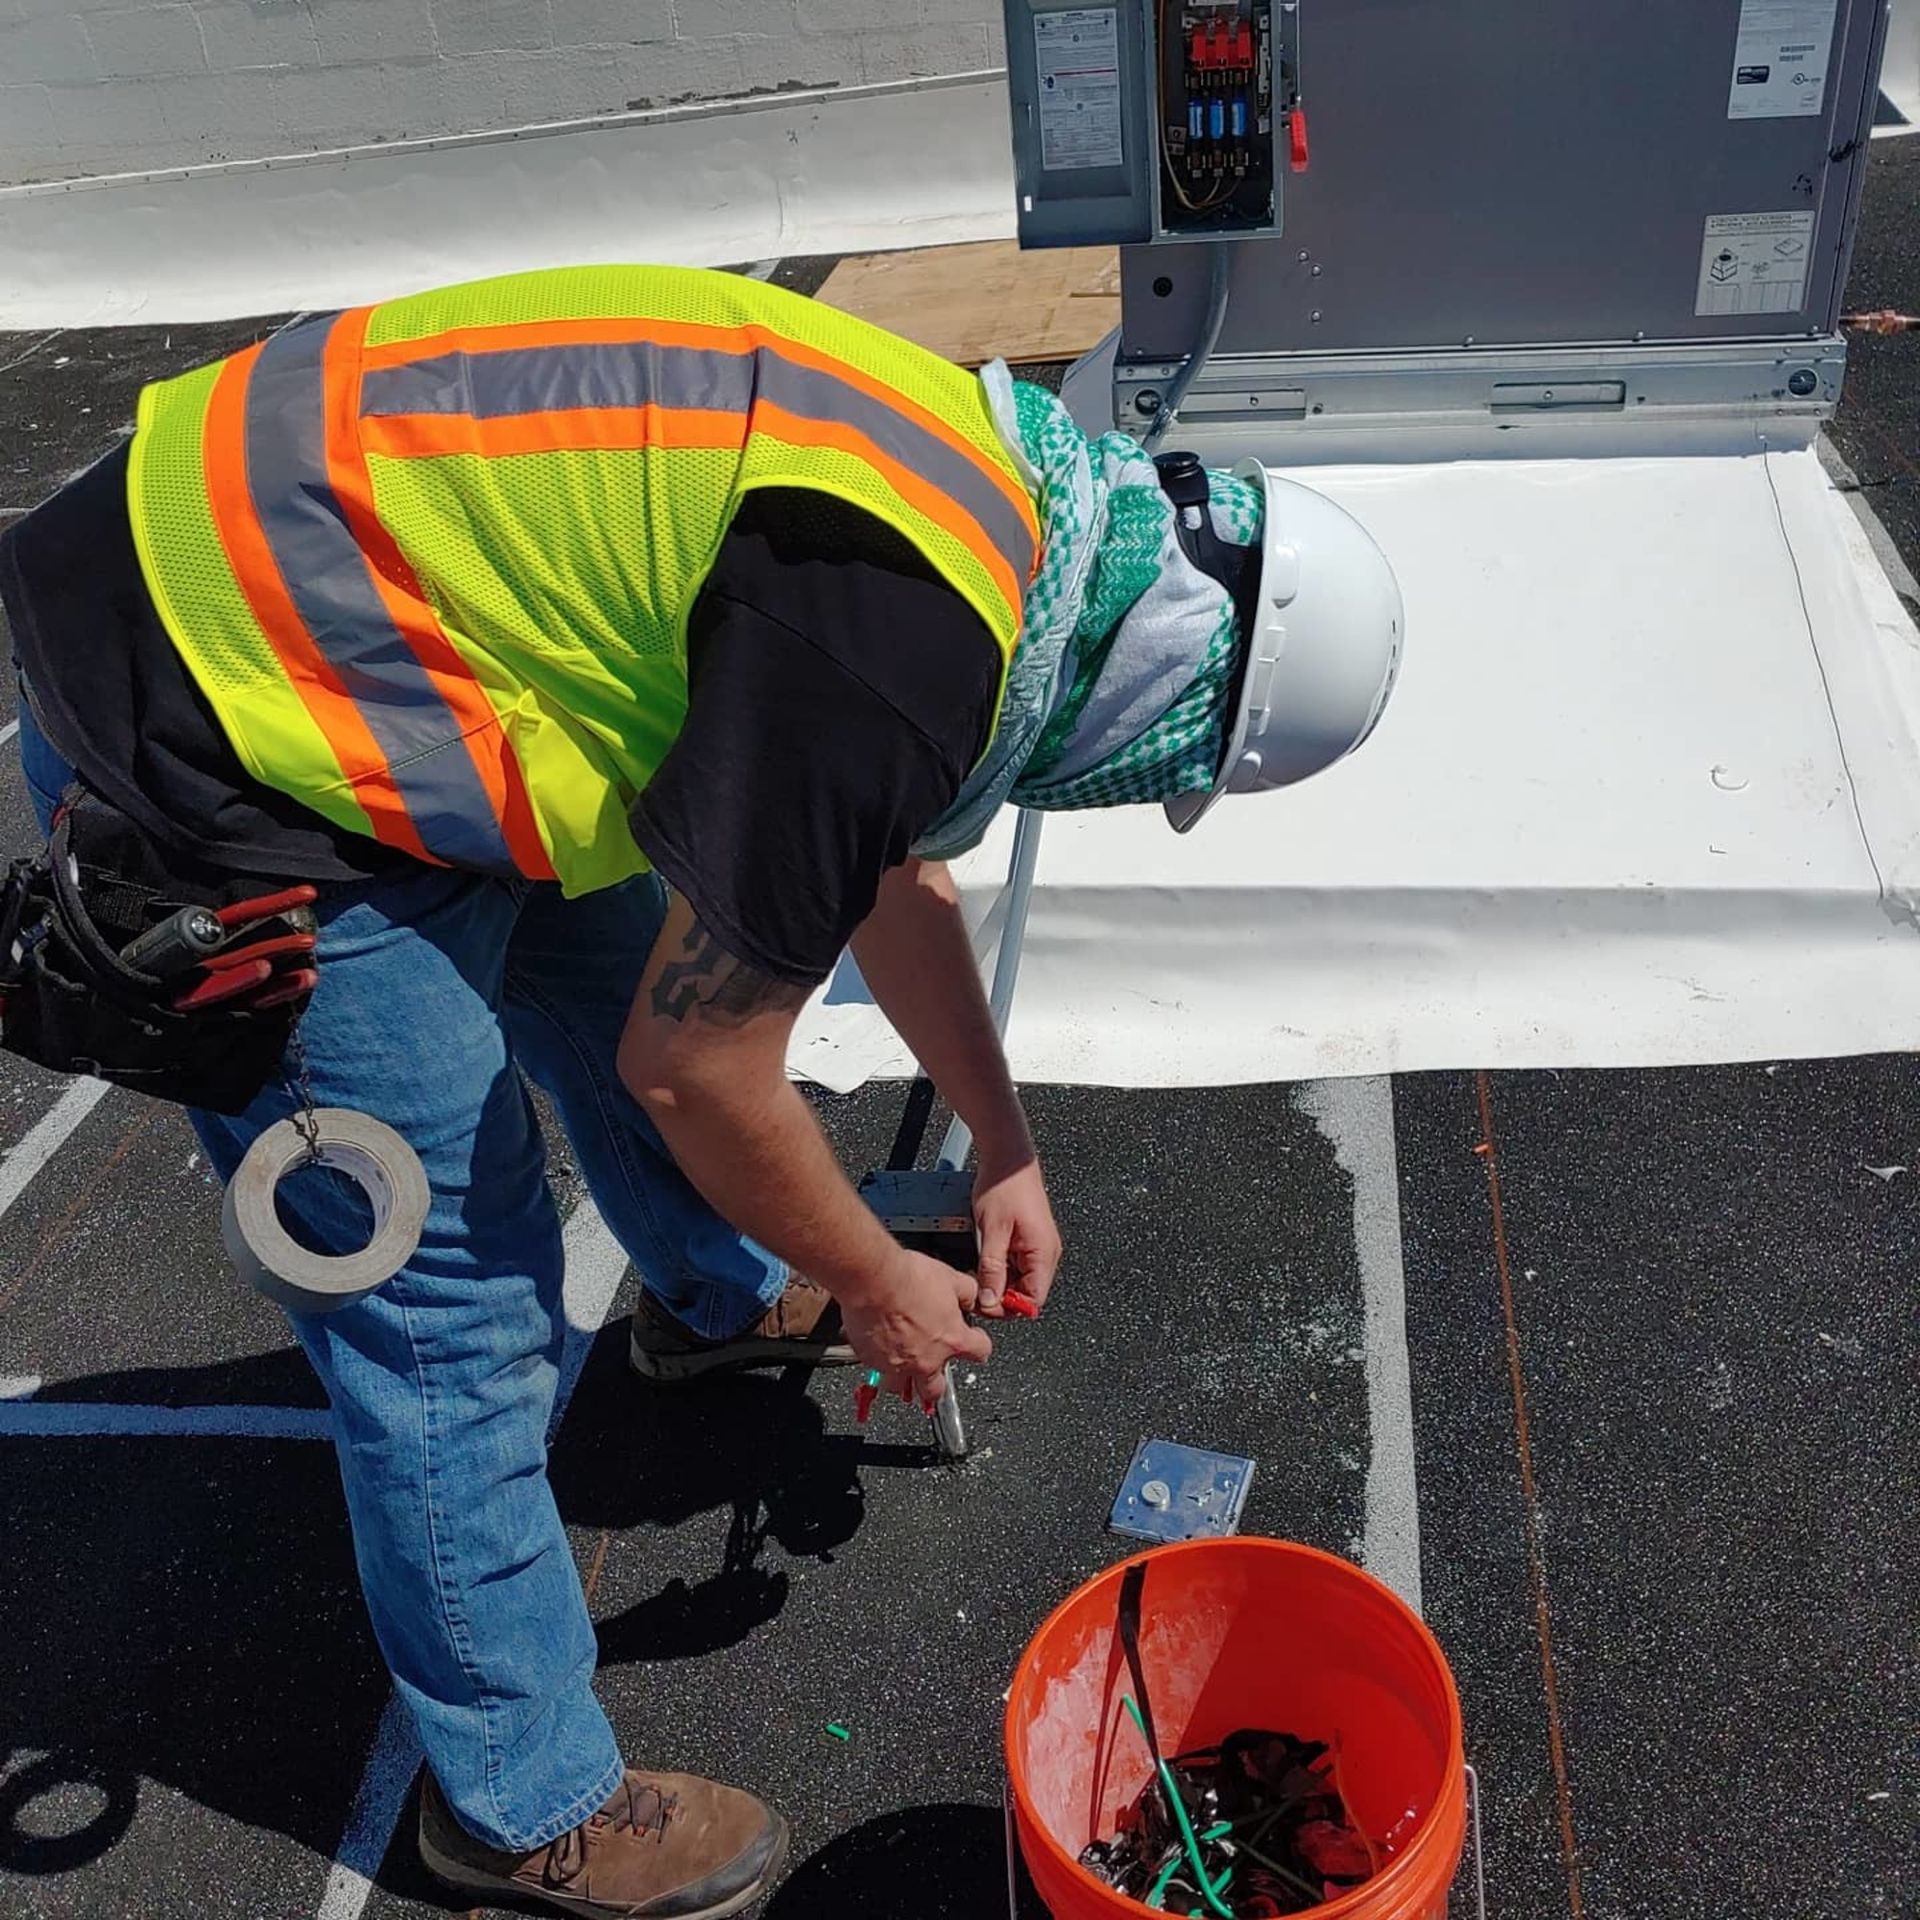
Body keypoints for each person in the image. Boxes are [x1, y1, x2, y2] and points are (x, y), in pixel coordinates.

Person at [1, 263, 1401, 1919]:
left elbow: (877, 860)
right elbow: (701, 1070)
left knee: (613, 960)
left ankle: (716, 1297)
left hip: (361, 607)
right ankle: (519, 1806)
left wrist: (1005, 1145)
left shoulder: (1010, 517)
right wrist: (877, 1279)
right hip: (225, 709)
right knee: (452, 1314)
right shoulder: (895, 661)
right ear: (1158, 698)